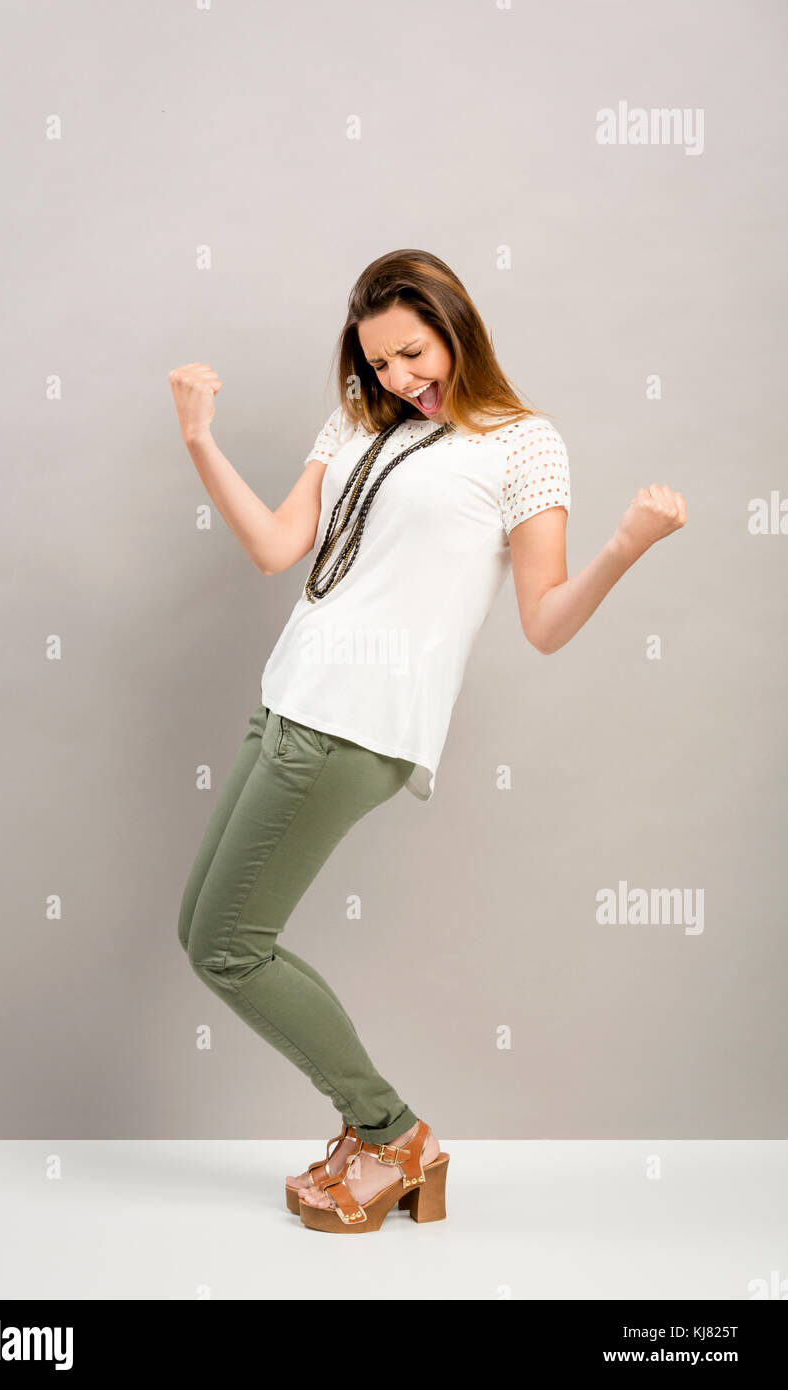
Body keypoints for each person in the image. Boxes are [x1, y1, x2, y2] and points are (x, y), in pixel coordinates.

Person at [168, 249, 686, 1234]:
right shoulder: (358, 418)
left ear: (455, 325)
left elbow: (542, 621)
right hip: (287, 695)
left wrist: (624, 545)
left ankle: (392, 1135)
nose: (400, 379)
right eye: (379, 365)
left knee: (230, 945)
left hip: (354, 724)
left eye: (412, 352)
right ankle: (380, 1137)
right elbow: (278, 548)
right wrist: (200, 439)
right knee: (203, 930)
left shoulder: (521, 445)